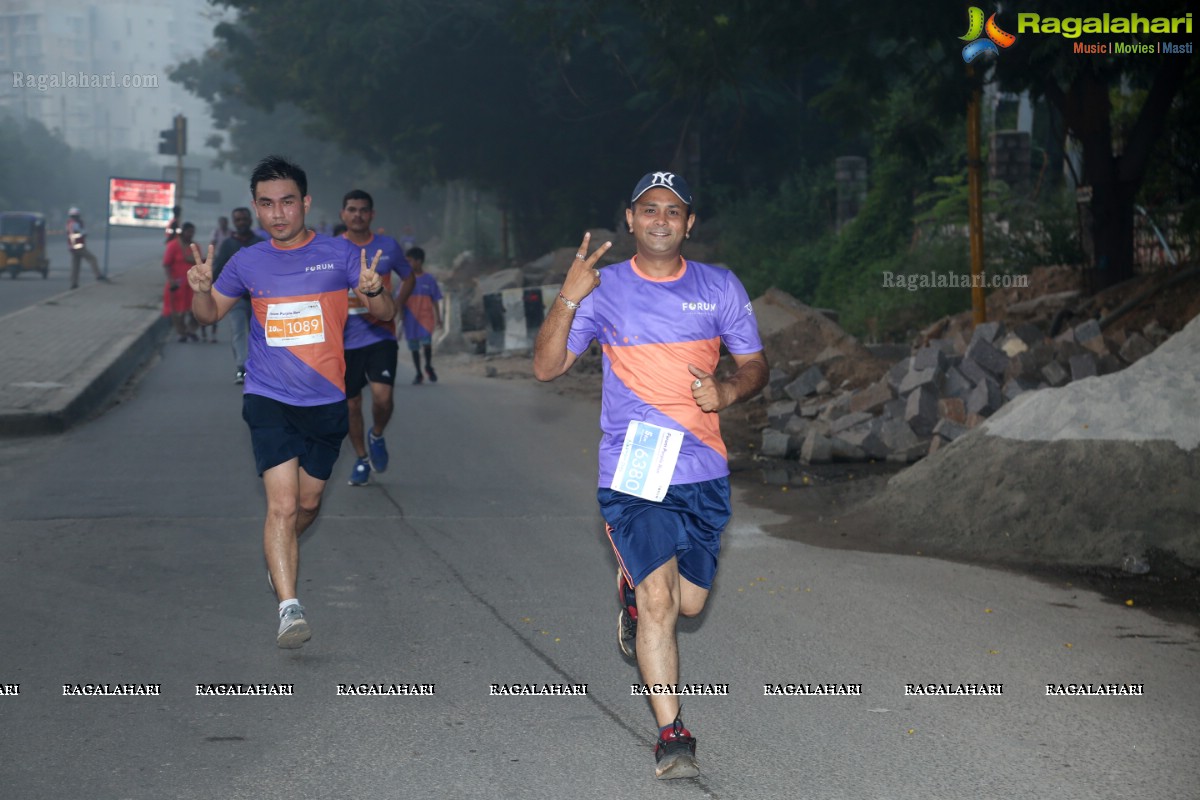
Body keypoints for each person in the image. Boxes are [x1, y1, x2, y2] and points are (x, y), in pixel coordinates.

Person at [533, 171, 768, 780]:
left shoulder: (719, 286)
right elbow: (547, 367)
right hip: (633, 468)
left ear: (689, 224)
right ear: (631, 220)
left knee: (688, 604)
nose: (661, 219)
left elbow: (755, 365)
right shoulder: (602, 288)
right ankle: (673, 734)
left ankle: (633, 605)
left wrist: (729, 390)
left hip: (702, 470)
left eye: (673, 210)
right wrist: (568, 295)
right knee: (660, 598)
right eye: (648, 209)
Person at [187, 156, 393, 648]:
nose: (277, 213)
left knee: (308, 502)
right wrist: (197, 292)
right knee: (280, 506)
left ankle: (282, 557)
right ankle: (289, 606)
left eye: (286, 202)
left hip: (326, 401)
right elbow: (209, 315)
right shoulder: (247, 262)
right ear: (255, 208)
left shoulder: (340, 255)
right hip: (268, 397)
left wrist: (375, 289)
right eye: (265, 204)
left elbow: (383, 314)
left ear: (305, 203)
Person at [338, 189, 412, 486]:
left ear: (372, 215)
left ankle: (377, 434)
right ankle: (361, 458)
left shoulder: (387, 246)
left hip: (380, 334)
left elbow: (409, 277)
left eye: (363, 210)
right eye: (352, 209)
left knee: (383, 399)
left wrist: (395, 307)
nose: (357, 215)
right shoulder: (332, 249)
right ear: (343, 214)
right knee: (351, 405)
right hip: (342, 340)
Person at [213, 207, 263, 383]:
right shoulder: (228, 244)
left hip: (259, 298)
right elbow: (218, 269)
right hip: (235, 298)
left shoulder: (259, 242)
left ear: (250, 220)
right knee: (238, 332)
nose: (241, 222)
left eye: (244, 219)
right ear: (234, 222)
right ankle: (242, 368)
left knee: (257, 334)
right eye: (238, 220)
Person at [398, 247, 443, 384]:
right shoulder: (405, 280)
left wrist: (439, 318)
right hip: (410, 319)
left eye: (410, 261)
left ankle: (428, 365)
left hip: (426, 318)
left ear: (419, 261)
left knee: (427, 343)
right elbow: (400, 300)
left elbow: (435, 299)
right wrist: (401, 317)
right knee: (414, 347)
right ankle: (418, 373)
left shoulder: (429, 279)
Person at [162, 222, 198, 342]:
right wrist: (171, 281)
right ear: (183, 232)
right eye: (188, 232)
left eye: (192, 232)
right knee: (178, 311)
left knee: (196, 310)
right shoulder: (173, 246)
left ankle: (191, 330)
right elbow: (166, 264)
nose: (190, 234)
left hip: (193, 284)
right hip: (177, 284)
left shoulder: (195, 246)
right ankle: (181, 332)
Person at [65, 207, 107, 289]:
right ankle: (98, 275)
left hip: (72, 247)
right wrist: (84, 232)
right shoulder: (76, 224)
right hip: (78, 246)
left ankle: (74, 283)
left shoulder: (69, 223)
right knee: (92, 259)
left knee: (75, 265)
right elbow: (82, 233)